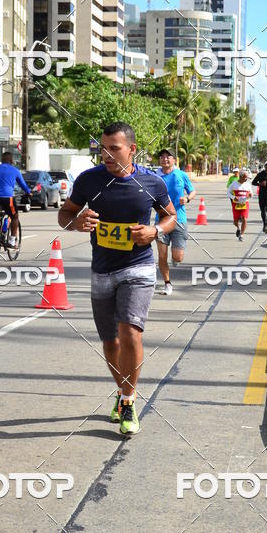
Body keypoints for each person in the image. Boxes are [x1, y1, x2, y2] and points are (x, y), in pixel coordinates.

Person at [58, 122, 177, 436]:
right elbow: (65, 214)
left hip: (138, 268)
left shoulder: (151, 183)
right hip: (102, 270)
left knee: (130, 332)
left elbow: (170, 216)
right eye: (103, 148)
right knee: (109, 342)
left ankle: (127, 400)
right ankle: (123, 390)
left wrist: (155, 231)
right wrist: (76, 222)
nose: (107, 154)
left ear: (132, 149)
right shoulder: (89, 180)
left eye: (114, 148)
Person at [155, 148, 196, 296]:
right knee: (161, 255)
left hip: (179, 219)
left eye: (168, 157)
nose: (165, 159)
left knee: (177, 257)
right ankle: (167, 284)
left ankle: (175, 259)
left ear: (174, 160)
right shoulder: (155, 177)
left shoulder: (181, 175)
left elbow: (192, 191)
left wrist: (187, 199)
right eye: (162, 157)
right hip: (161, 220)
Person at [0, 151, 31, 248]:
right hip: (7, 198)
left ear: (1, 160)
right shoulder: (15, 171)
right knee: (15, 216)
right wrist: (29, 192)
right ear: (11, 161)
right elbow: (23, 185)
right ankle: (11, 241)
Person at [227, 168, 253, 241]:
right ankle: (238, 228)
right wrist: (233, 197)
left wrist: (250, 195)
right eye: (245, 177)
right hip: (236, 204)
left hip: (245, 203)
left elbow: (251, 193)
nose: (246, 179)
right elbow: (228, 192)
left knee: (244, 218)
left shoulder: (248, 184)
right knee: (235, 221)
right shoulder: (234, 184)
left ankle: (241, 235)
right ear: (241, 177)